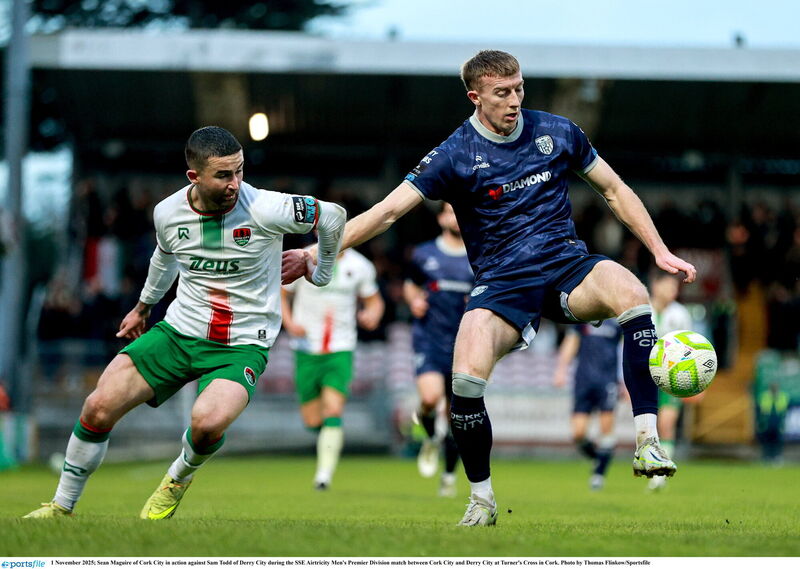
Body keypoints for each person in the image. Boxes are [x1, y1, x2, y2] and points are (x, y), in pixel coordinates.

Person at [283, 50, 696, 526]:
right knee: (464, 380)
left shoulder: (557, 131)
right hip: (501, 283)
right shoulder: (454, 153)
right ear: (475, 96)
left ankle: (647, 440)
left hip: (566, 264)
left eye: (520, 88)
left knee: (632, 291)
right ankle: (482, 499)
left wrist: (660, 250)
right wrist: (318, 252)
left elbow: (615, 189)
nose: (515, 100)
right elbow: (388, 211)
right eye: (503, 92)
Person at [24, 126, 346, 519]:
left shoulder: (267, 207)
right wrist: (143, 307)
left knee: (208, 423)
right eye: (224, 175)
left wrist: (322, 272)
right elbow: (164, 259)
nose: (236, 183)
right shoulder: (167, 212)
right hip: (179, 331)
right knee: (98, 406)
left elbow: (333, 216)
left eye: (239, 171)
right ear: (194, 177)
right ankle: (61, 507)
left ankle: (177, 478)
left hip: (242, 342)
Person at [281, 248, 384, 490]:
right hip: (306, 347)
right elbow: (281, 293)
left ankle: (324, 475)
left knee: (334, 410)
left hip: (341, 347)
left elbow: (374, 301)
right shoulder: (302, 258)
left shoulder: (360, 265)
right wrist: (289, 322)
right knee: (313, 420)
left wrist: (373, 315)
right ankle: (326, 442)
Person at [403, 202, 472, 497]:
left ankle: (448, 477)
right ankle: (428, 430)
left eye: (460, 211)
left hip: (465, 343)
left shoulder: (478, 255)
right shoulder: (424, 254)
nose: (455, 216)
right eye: (449, 211)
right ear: (441, 217)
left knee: (458, 417)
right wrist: (413, 300)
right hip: (429, 338)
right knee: (431, 398)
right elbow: (410, 284)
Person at [553, 320, 623, 491]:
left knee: (606, 429)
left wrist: (625, 381)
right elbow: (571, 342)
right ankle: (598, 458)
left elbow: (624, 351)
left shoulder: (617, 322)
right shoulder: (584, 320)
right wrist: (561, 369)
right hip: (583, 381)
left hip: (608, 381)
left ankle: (598, 475)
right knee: (578, 433)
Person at [647, 272, 694, 491]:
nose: (672, 291)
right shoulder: (642, 308)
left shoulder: (681, 314)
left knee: (666, 424)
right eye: (667, 286)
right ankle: (653, 465)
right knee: (649, 427)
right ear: (655, 285)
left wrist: (694, 382)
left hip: (671, 376)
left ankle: (659, 474)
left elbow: (691, 349)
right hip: (645, 376)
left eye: (675, 288)